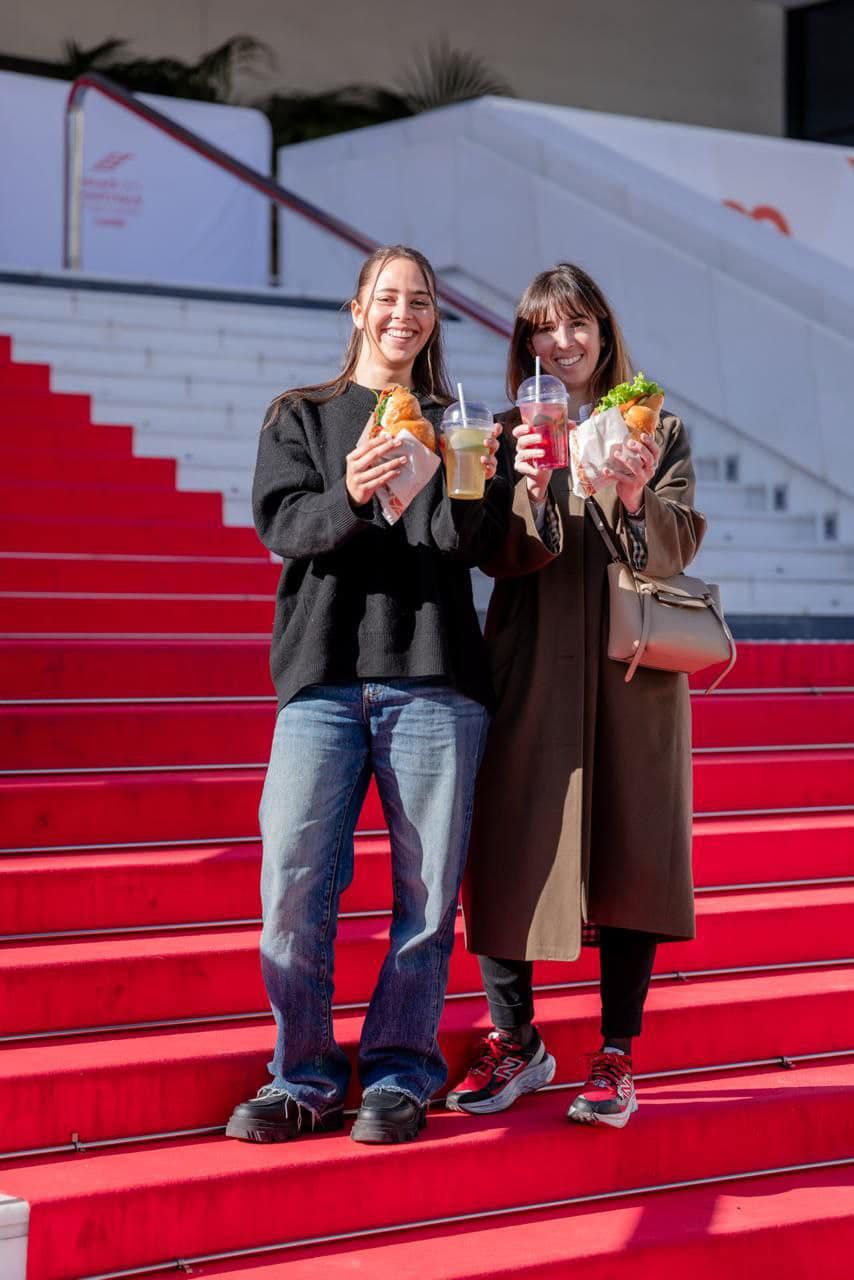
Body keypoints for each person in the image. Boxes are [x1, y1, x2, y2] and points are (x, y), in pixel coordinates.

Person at [226, 244, 507, 1146]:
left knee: (426, 896)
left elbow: (473, 540)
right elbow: (285, 525)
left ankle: (400, 1068)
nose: (403, 312)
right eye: (387, 297)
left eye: (420, 299)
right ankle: (302, 1074)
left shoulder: (459, 419)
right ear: (357, 309)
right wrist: (350, 491)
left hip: (435, 677)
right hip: (322, 679)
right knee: (293, 879)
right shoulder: (300, 416)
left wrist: (452, 479)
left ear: (433, 317)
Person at [447, 263, 707, 1128]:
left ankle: (615, 1055)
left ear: (603, 328)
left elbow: (674, 548)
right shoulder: (510, 432)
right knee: (511, 836)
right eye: (542, 331)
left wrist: (633, 496)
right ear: (524, 345)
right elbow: (496, 554)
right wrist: (527, 482)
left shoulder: (656, 426)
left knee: (633, 846)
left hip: (633, 668)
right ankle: (516, 1040)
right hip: (532, 657)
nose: (562, 343)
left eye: (576, 325)